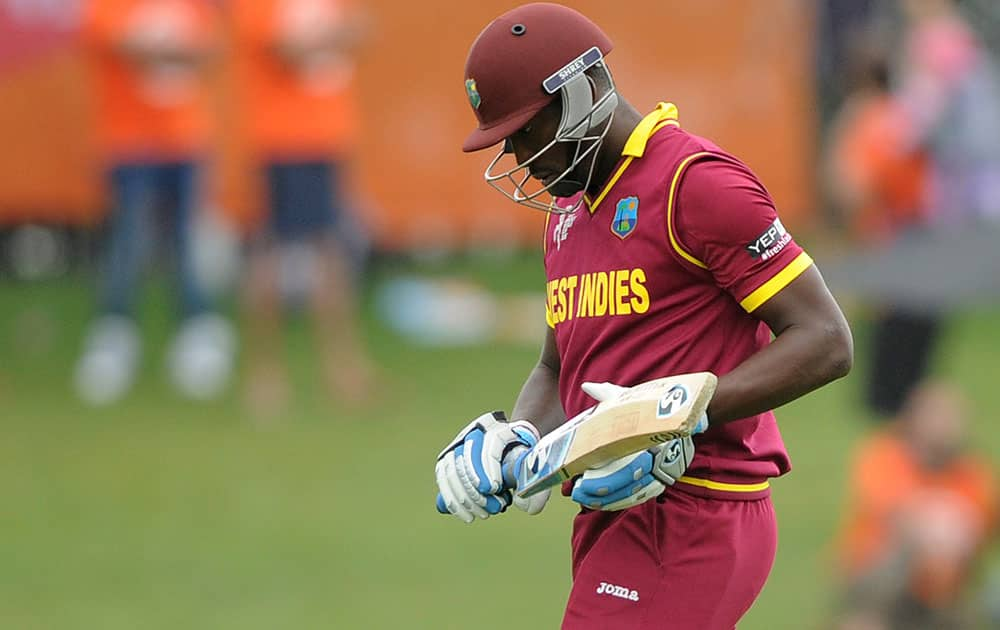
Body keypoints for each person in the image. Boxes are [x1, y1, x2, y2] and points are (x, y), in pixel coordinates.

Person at [432, 3, 854, 628]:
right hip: (613, 514)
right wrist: (520, 438)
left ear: (585, 89)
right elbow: (556, 366)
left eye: (526, 130)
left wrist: (681, 415)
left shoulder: (696, 183)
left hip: (697, 510)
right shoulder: (568, 214)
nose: (521, 156)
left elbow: (825, 339)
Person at [76, 0, 235, 405]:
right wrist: (176, 52)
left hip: (186, 138)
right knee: (128, 240)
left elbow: (212, 51)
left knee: (185, 241)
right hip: (128, 142)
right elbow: (123, 48)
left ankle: (195, 328)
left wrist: (168, 52)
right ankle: (114, 333)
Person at [229, 0, 374, 415]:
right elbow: (285, 51)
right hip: (282, 142)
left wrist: (328, 39)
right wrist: (333, 37)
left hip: (327, 138)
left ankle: (342, 369)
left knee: (332, 255)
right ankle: (266, 375)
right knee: (271, 257)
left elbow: (357, 31)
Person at [833, 380, 997, 630]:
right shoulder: (885, 455)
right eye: (936, 417)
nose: (944, 428)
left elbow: (983, 533)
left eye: (950, 419)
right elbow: (894, 515)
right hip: (878, 579)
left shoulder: (973, 474)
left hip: (948, 588)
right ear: (914, 420)